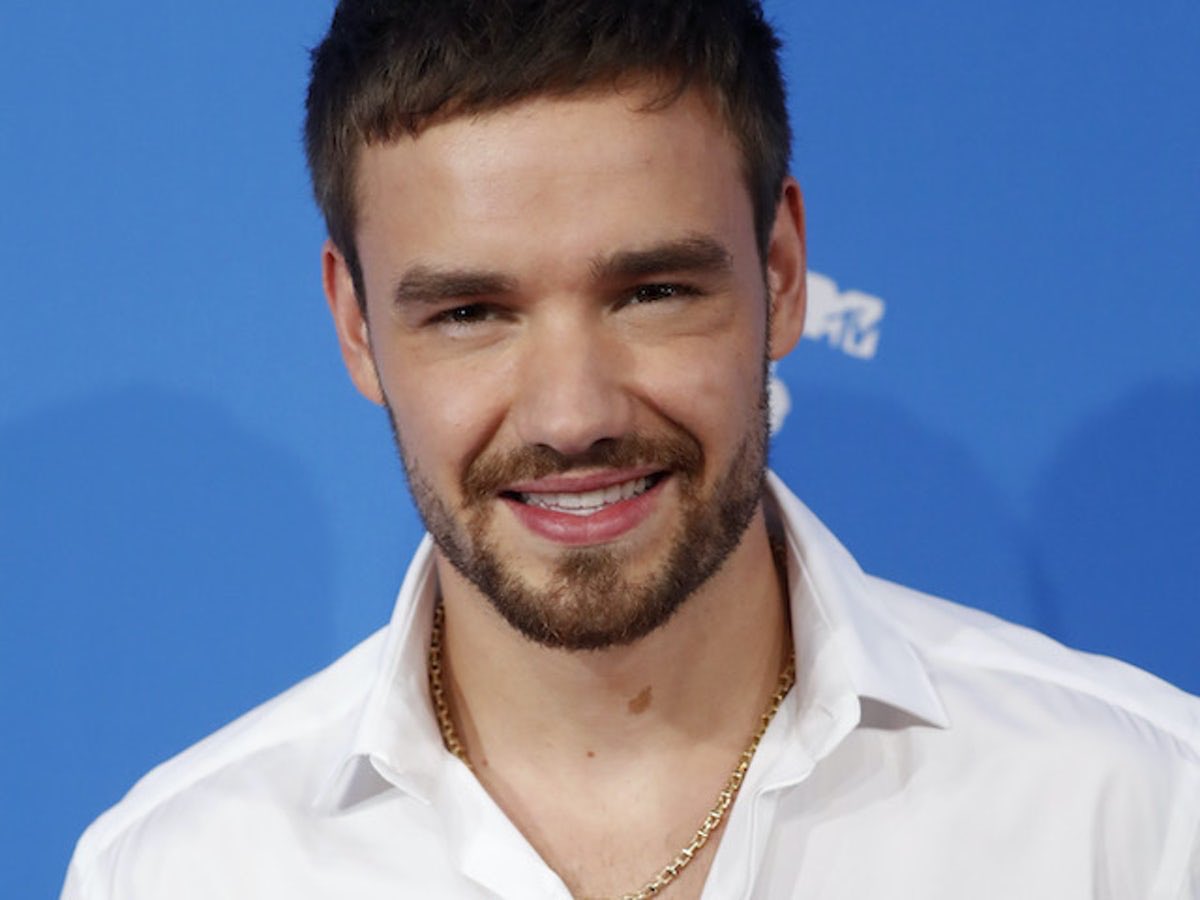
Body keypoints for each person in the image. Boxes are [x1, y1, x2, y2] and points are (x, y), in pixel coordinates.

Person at [63, 1, 1199, 897]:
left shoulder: (1133, 810)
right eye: (470, 313)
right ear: (356, 327)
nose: (573, 416)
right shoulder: (178, 873)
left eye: (653, 291)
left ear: (782, 274)